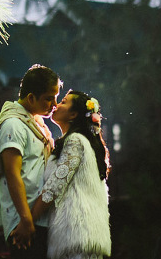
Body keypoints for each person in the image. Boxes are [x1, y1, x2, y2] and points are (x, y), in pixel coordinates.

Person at [0, 64, 61, 259]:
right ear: (31, 98)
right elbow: (13, 173)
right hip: (25, 224)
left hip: (40, 219)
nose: (54, 104)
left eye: (55, 97)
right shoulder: (13, 123)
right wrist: (26, 219)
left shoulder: (36, 123)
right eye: (48, 98)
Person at [31, 90, 111, 259]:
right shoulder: (78, 142)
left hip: (78, 235)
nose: (57, 105)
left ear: (73, 114)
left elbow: (55, 186)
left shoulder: (75, 141)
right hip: (79, 235)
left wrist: (28, 221)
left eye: (64, 102)